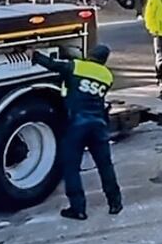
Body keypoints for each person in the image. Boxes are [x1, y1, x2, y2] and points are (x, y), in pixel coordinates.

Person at [30, 45, 122, 220]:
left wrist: (32, 54)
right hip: (99, 125)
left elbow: (51, 64)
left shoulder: (76, 66)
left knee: (71, 168)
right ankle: (115, 202)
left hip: (77, 125)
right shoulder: (107, 75)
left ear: (90, 55)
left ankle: (78, 208)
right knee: (105, 166)